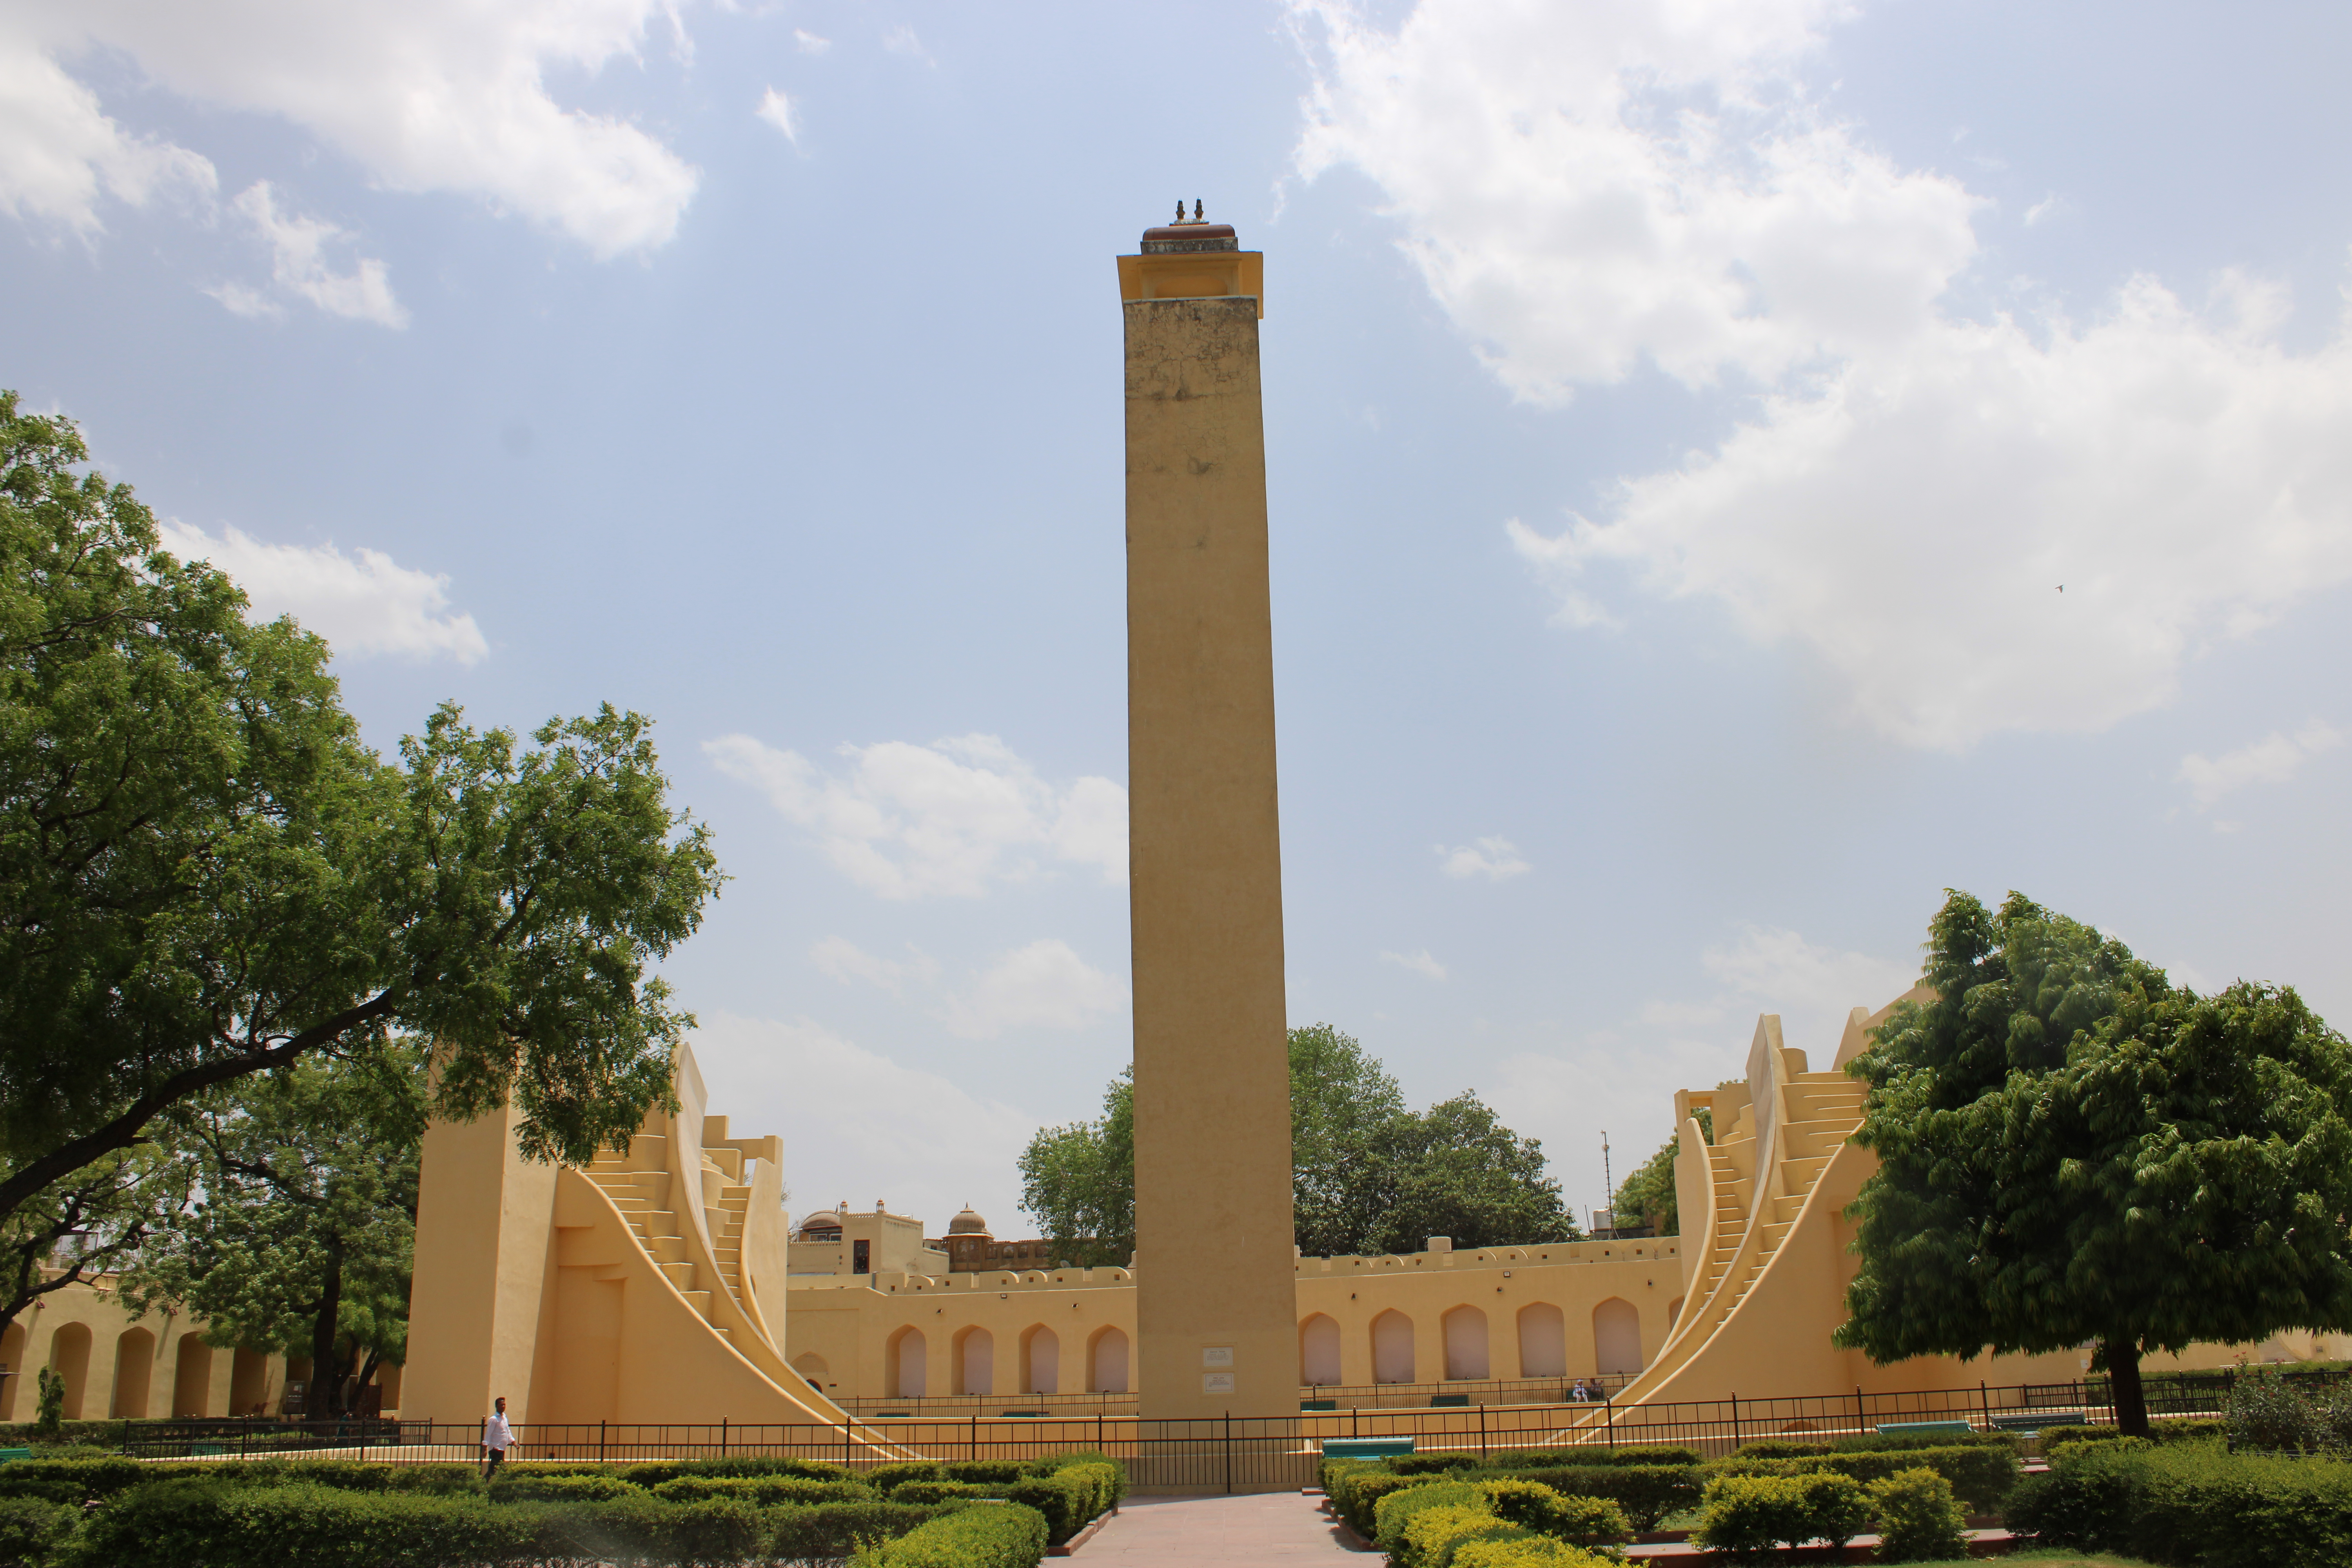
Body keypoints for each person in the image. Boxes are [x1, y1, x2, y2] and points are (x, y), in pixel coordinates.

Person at [481, 1396, 514, 1479]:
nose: (503, 1407)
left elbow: (507, 1431)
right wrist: (485, 1448)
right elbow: (488, 1434)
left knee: (496, 1470)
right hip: (495, 1449)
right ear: (497, 1406)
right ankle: (482, 1484)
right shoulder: (494, 1419)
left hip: (502, 1449)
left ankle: (487, 1484)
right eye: (501, 1405)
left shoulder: (504, 1419)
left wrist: (513, 1442)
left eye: (504, 1405)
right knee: (496, 1470)